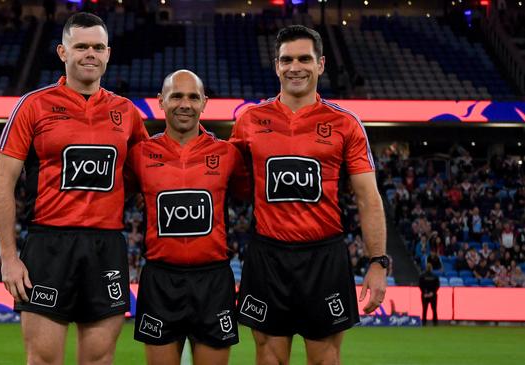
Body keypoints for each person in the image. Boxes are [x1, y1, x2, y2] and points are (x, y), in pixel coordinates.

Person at [0, 13, 148, 365]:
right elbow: (3, 182)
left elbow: (148, 174)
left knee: (99, 360)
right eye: (81, 46)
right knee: (43, 360)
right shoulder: (33, 105)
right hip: (49, 245)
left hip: (106, 245)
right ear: (63, 52)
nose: (89, 54)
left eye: (97, 47)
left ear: (108, 53)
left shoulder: (127, 112)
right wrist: (8, 257)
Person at [229, 25, 387, 364]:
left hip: (324, 257)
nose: (294, 66)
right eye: (286, 59)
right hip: (267, 255)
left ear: (321, 64)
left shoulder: (345, 123)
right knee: (269, 356)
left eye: (304, 58)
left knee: (325, 358)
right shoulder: (250, 120)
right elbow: (224, 183)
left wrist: (378, 262)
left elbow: (368, 198)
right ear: (276, 66)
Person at [125, 70, 249, 365]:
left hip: (213, 281)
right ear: (160, 101)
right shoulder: (140, 155)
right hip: (160, 281)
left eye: (193, 97)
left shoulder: (228, 154)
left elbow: (251, 194)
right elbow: (114, 197)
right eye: (176, 96)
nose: (185, 104)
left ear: (204, 102)